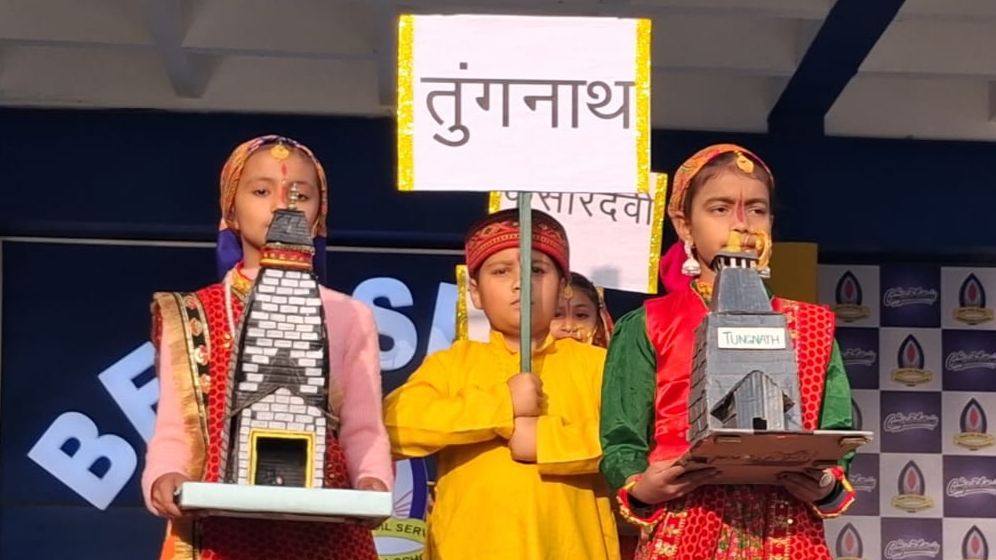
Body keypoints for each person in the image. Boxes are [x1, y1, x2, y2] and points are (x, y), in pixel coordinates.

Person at [142, 135, 393, 560]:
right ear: (231, 211)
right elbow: (174, 428)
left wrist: (373, 481)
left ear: (319, 215)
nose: (282, 204)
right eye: (260, 191)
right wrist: (165, 475)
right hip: (216, 527)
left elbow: (363, 427)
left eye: (301, 194)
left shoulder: (350, 315)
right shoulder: (192, 313)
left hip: (324, 524)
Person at [599, 144, 855, 560]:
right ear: (684, 225)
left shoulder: (811, 325)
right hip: (685, 525)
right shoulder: (649, 324)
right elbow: (622, 439)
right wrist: (643, 486)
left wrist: (824, 484)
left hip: (789, 534)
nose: (742, 225)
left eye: (756, 209)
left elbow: (838, 431)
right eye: (719, 209)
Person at [384, 209, 620, 560]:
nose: (520, 283)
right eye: (501, 271)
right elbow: (394, 425)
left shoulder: (598, 365)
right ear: (475, 293)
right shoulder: (455, 362)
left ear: (563, 288)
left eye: (536, 270)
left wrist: (547, 442)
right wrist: (500, 405)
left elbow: (632, 444)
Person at [551, 272, 614, 348]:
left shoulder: (609, 359)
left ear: (599, 324)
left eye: (580, 315)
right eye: (556, 315)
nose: (569, 327)